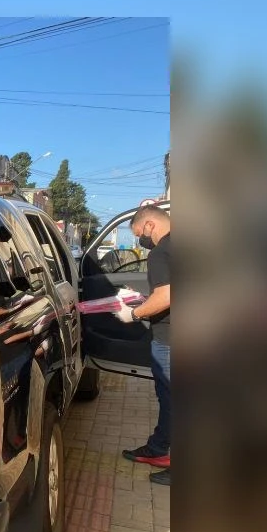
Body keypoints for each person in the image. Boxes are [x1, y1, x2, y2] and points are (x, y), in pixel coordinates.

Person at [115, 205, 172, 486]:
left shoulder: (162, 251)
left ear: (150, 225)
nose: (142, 241)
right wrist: (145, 298)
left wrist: (134, 313)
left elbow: (166, 296)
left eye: (140, 234)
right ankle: (159, 448)